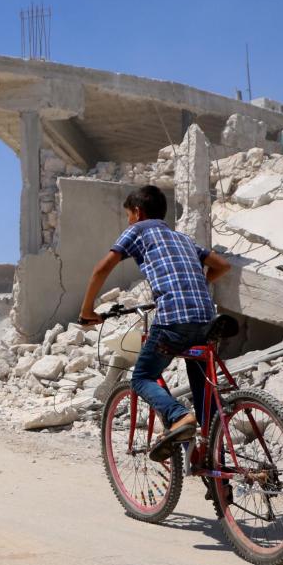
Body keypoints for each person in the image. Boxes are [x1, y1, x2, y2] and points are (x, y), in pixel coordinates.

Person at [79, 185, 231, 462]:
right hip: (207, 320)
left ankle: (178, 417)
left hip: (173, 320)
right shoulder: (182, 238)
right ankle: (212, 458)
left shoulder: (138, 230)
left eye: (128, 215)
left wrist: (88, 310)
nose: (128, 220)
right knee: (203, 390)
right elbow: (222, 265)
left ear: (137, 212)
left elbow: (101, 268)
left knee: (142, 377)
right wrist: (195, 285)